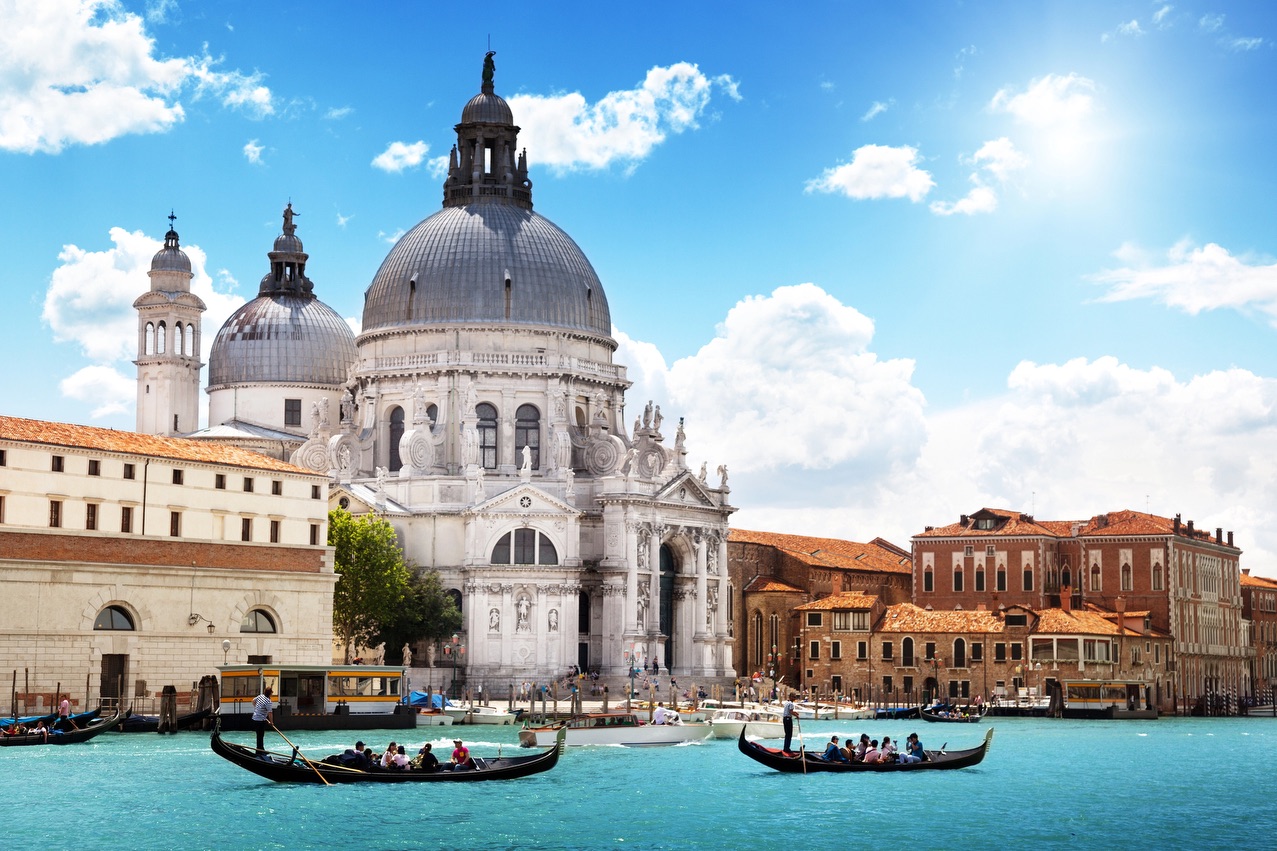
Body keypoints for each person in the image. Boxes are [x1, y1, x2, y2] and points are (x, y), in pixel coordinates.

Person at [251, 685, 274, 756]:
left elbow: (253, 701)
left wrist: (257, 709)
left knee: (260, 735)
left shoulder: (260, 696)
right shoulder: (268, 701)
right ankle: (259, 751)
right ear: (270, 693)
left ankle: (261, 749)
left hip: (255, 718)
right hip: (260, 720)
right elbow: (270, 713)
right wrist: (271, 722)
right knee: (260, 735)